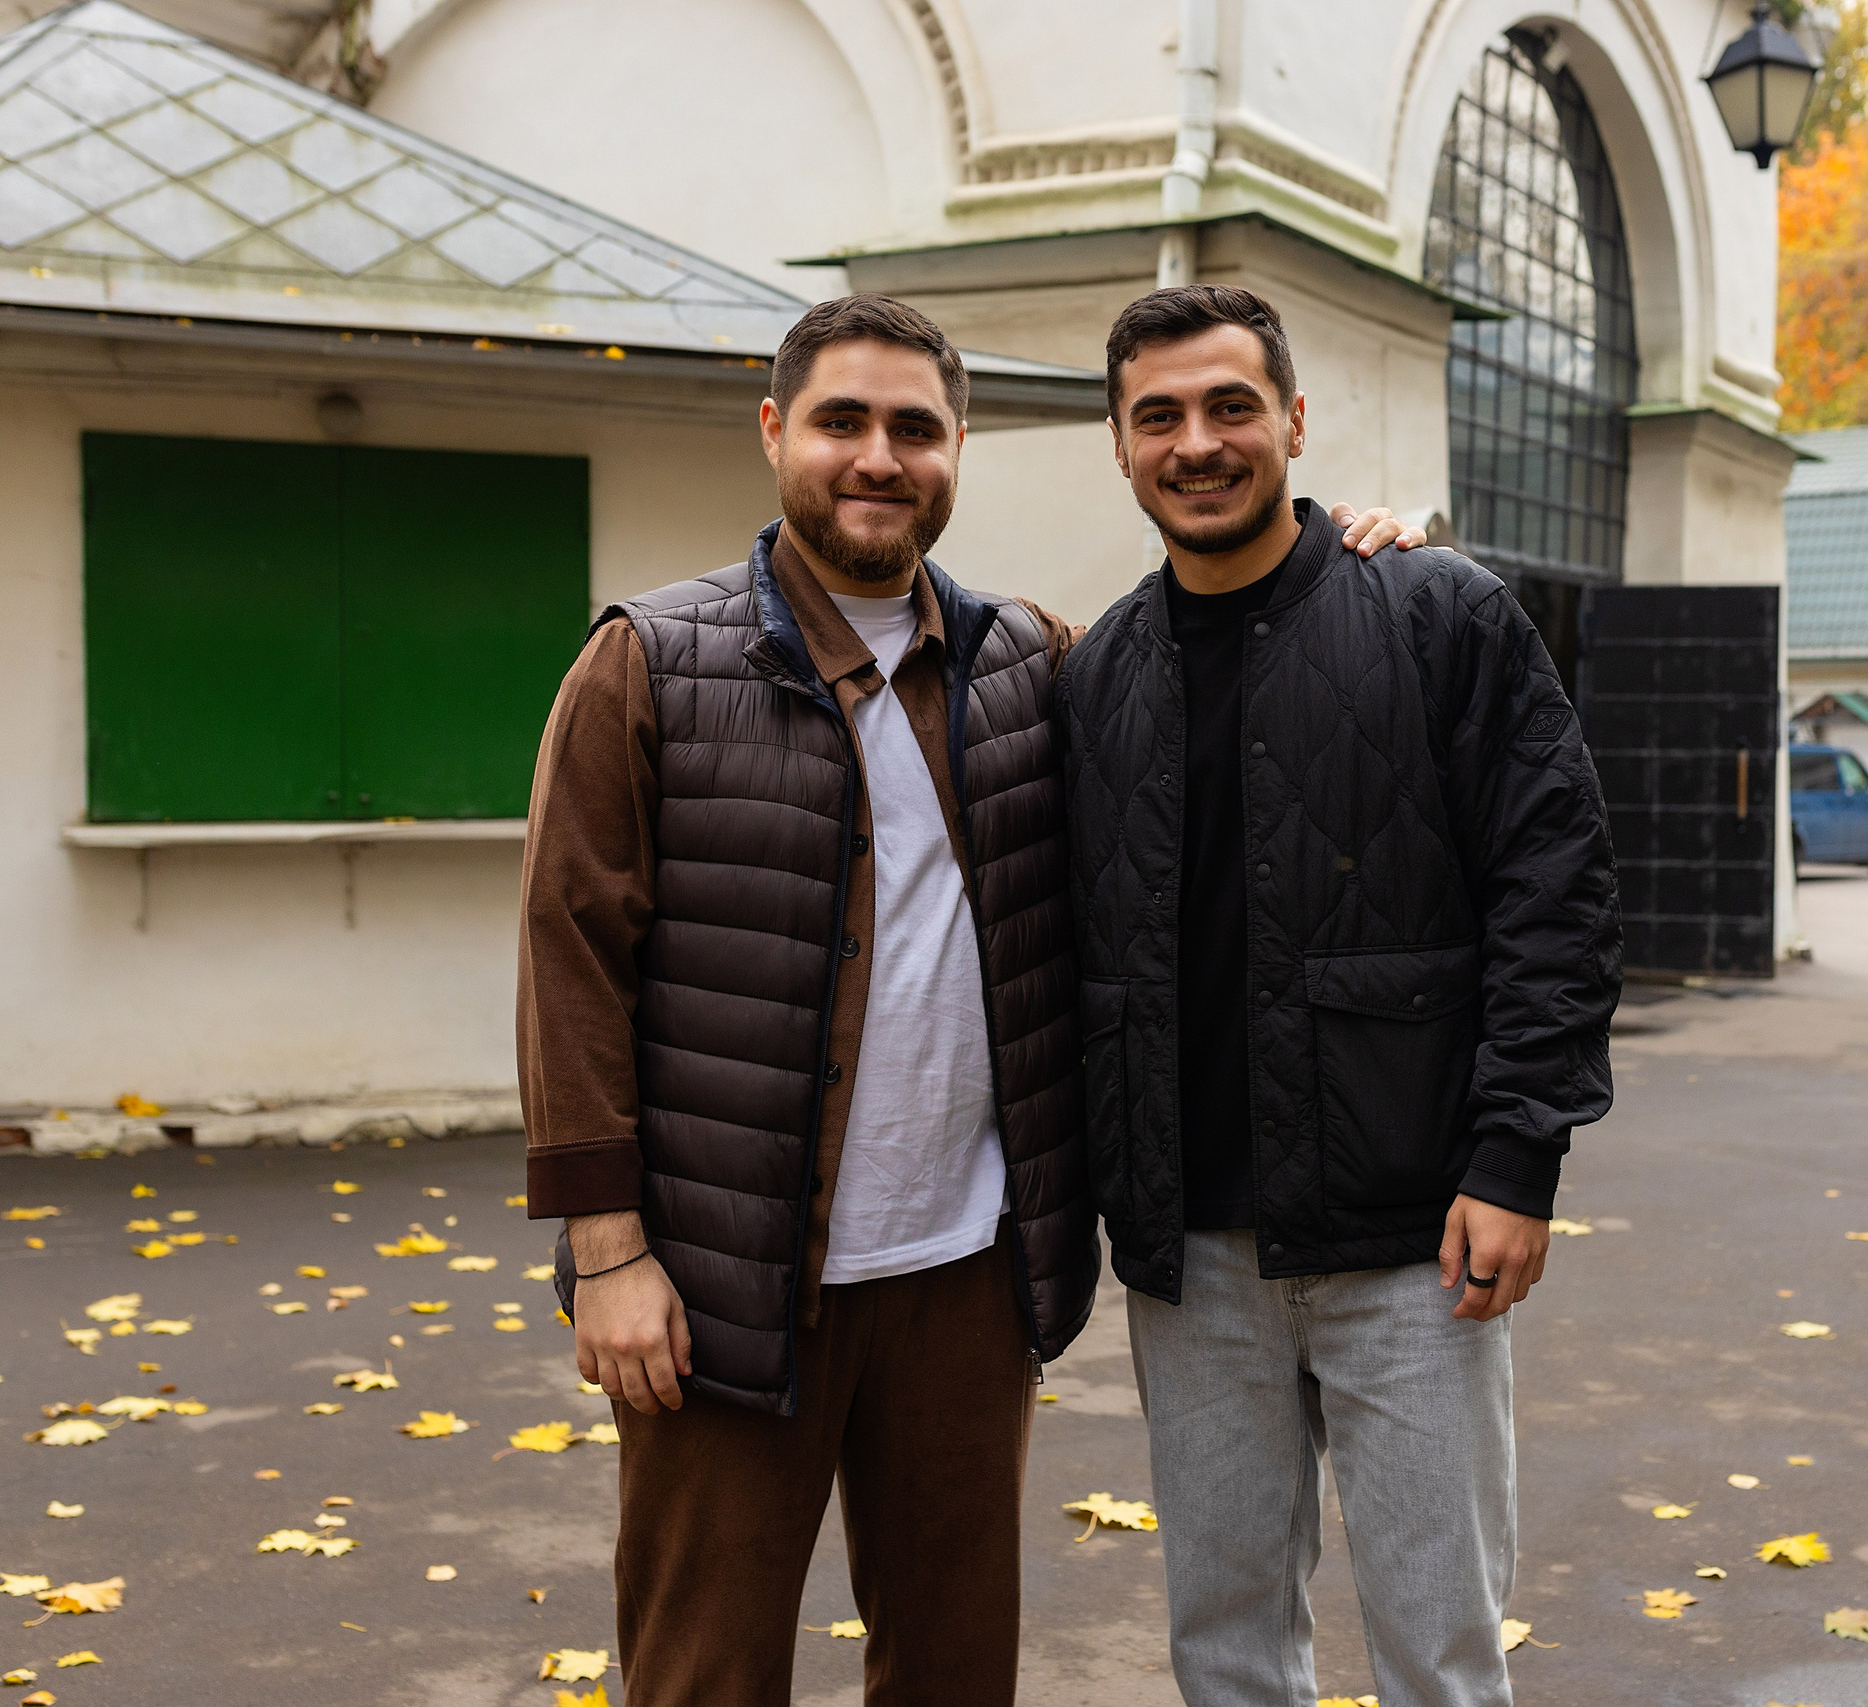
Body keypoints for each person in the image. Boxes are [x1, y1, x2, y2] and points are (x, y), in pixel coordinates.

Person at [516, 291, 1423, 1707]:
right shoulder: (649, 662)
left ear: (958, 449)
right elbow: (569, 955)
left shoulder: (1028, 664)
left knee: (952, 1674)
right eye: (841, 422)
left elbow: (1232, 626)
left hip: (964, 1279)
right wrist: (608, 1245)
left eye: (915, 429)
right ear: (775, 434)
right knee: (704, 1670)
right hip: (725, 1278)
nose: (878, 457)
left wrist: (1357, 547)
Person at [1057, 284, 1623, 1707]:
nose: (1199, 441)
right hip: (1193, 1261)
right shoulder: (1095, 676)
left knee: (1441, 1643)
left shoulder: (1438, 613)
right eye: (1160, 416)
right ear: (1120, 448)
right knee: (1227, 1642)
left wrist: (1517, 1155)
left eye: (1232, 405)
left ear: (1295, 421)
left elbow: (1553, 892)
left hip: (1413, 1246)